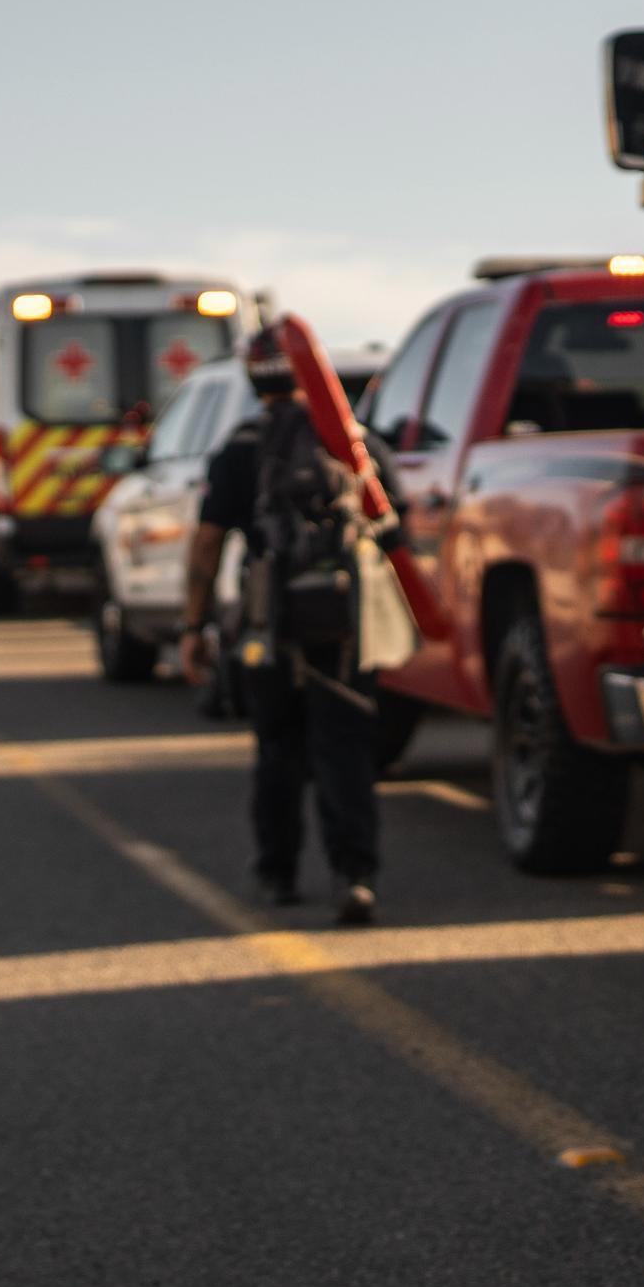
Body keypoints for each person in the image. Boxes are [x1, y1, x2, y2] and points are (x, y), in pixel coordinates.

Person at [182, 333, 399, 924]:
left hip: (269, 622)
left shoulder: (238, 450)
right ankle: (354, 874)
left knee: (278, 749)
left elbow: (206, 545)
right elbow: (394, 532)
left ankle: (277, 873)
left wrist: (193, 625)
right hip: (344, 622)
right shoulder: (355, 447)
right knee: (345, 749)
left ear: (254, 382)